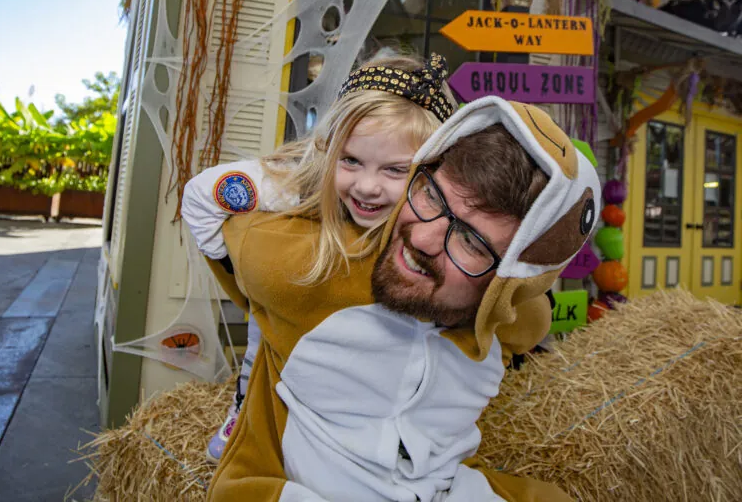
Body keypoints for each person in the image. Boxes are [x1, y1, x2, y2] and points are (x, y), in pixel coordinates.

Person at [202, 95, 601, 501]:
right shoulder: (306, 268)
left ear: (510, 282)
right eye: (431, 195)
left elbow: (528, 318)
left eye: (471, 242)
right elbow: (208, 198)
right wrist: (308, 178)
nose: (421, 240)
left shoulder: (514, 320)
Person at [182, 52, 459, 463]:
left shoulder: (444, 208)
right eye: (350, 161)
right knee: (266, 332)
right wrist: (240, 278)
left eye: (395, 170)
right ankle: (245, 405)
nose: (367, 186)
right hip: (288, 337)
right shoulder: (293, 183)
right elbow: (203, 195)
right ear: (329, 148)